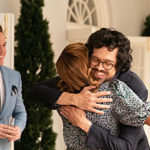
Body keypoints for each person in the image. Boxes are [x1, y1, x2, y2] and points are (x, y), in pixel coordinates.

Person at [29, 28, 150, 150]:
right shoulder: (80, 79)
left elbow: (126, 147)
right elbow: (36, 91)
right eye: (95, 59)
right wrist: (75, 99)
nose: (99, 68)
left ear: (118, 64)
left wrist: (84, 124)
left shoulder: (131, 87)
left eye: (107, 63)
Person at [55, 42, 150, 150]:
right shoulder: (112, 91)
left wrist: (84, 123)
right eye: (94, 59)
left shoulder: (60, 95)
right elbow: (145, 116)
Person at [0, 25, 27, 150]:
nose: (2, 51)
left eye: (4, 45)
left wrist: (18, 128)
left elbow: (20, 112)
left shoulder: (15, 77)